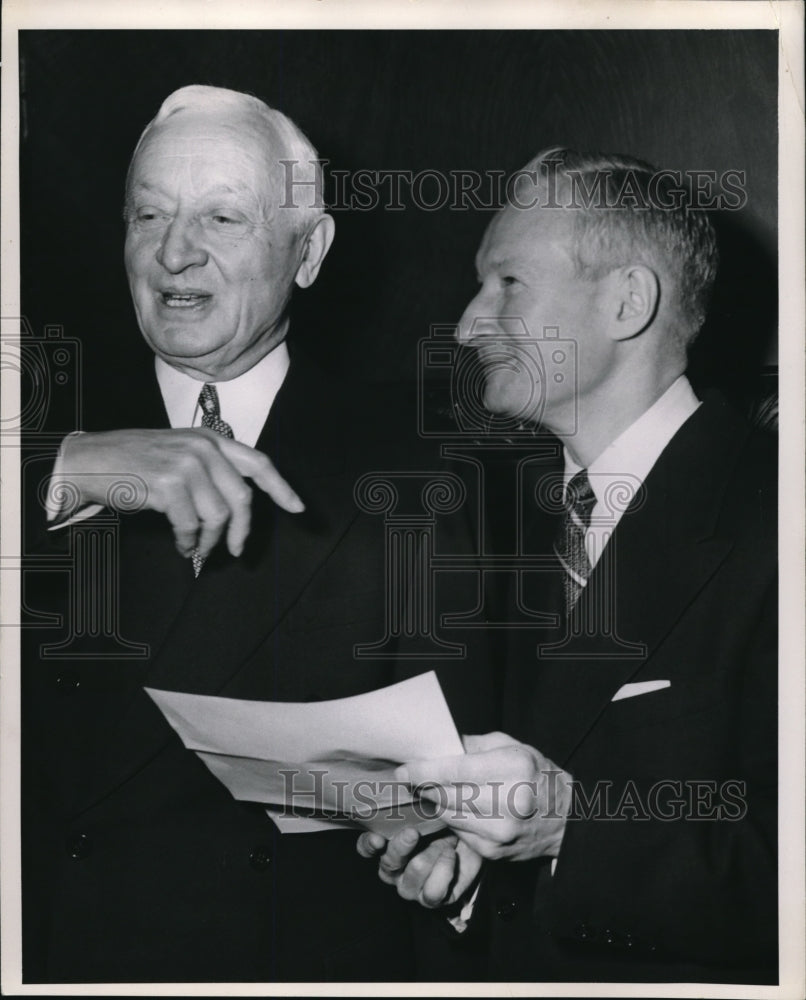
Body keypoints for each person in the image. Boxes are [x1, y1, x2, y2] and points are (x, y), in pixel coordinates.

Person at [21, 85, 496, 983]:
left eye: (223, 217)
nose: (173, 252)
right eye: (149, 213)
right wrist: (60, 469)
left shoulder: (419, 460)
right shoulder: (42, 422)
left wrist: (440, 843)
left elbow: (457, 773)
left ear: (307, 251)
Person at [358, 148, 777, 984]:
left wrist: (572, 832)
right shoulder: (487, 517)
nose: (471, 324)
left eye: (508, 284)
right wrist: (467, 863)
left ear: (628, 300)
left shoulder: (778, 515)